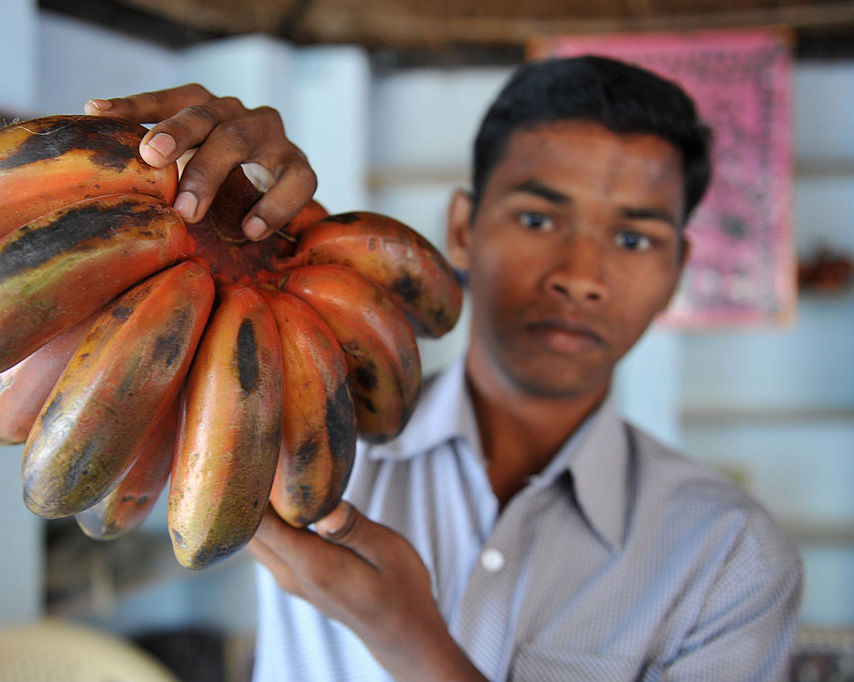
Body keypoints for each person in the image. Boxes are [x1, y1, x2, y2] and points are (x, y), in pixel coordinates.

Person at [87, 54, 803, 681]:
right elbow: (98, 388)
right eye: (536, 219)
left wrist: (409, 644)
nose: (581, 276)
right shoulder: (290, 427)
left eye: (633, 238)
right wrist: (212, 207)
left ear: (677, 271)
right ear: (461, 228)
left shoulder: (730, 559)